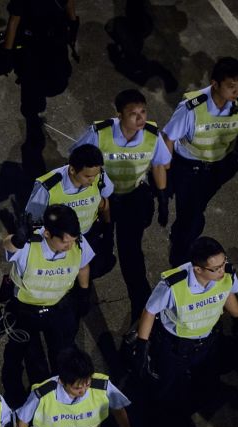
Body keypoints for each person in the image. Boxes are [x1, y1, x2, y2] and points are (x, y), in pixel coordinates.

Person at [71, 89, 171, 322]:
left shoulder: (151, 134)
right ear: (118, 115)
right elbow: (76, 161)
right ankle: (81, 288)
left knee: (132, 255)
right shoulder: (99, 133)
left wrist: (163, 197)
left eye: (143, 111)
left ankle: (141, 308)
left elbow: (158, 165)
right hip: (101, 201)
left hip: (132, 199)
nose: (140, 118)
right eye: (133, 113)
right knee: (92, 249)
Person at [131, 236, 238, 427]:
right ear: (198, 269)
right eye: (215, 268)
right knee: (166, 389)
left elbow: (227, 293)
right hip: (174, 346)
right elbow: (149, 312)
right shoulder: (173, 285)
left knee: (203, 380)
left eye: (223, 263)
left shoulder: (224, 274)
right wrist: (142, 345)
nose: (222, 270)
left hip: (206, 341)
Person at [161, 56, 238, 266]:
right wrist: (167, 173)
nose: (236, 91)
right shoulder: (192, 107)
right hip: (188, 169)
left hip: (217, 168)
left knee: (194, 210)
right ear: (214, 84)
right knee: (193, 218)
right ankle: (179, 259)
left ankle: (181, 231)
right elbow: (168, 138)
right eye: (231, 86)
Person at [0, 205, 92, 406]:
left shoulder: (77, 243)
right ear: (48, 234)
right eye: (65, 242)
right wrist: (16, 239)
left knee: (62, 353)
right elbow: (8, 247)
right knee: (30, 359)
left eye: (73, 241)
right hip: (26, 310)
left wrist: (84, 292)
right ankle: (26, 397)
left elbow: (84, 265)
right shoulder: (29, 245)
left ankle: (60, 398)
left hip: (59, 307)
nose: (70, 246)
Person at [0, 0, 79, 177]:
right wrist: (7, 53)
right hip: (32, 45)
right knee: (31, 90)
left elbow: (69, 3)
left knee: (58, 83)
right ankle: (32, 118)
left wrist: (72, 24)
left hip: (55, 41)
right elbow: (14, 20)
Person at [24, 145, 115, 278]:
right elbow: (33, 219)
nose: (92, 180)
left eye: (95, 175)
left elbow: (103, 203)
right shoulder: (47, 188)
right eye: (87, 176)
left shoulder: (99, 176)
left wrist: (108, 228)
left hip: (88, 235)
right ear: (72, 169)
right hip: (60, 241)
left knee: (99, 265)